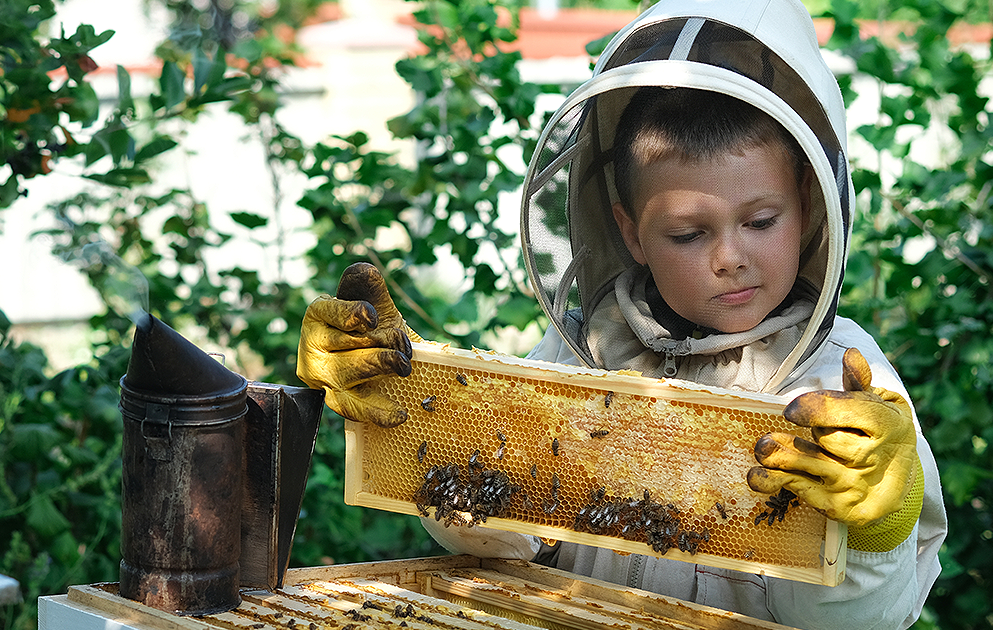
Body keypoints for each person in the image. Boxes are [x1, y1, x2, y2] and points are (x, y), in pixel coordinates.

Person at [296, 0, 945, 627]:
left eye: (760, 220)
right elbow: (500, 542)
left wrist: (874, 536)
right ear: (631, 234)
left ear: (808, 203)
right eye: (688, 234)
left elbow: (862, 622)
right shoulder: (580, 352)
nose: (729, 257)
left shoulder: (846, 387)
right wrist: (424, 414)